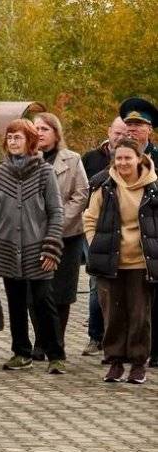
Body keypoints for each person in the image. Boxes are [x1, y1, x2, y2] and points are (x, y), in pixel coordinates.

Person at [0, 119, 66, 374]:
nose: (12, 142)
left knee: (43, 302)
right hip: (6, 248)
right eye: (9, 137)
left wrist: (51, 247)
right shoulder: (1, 173)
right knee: (16, 303)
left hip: (37, 248)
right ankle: (21, 352)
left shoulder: (44, 171)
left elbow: (56, 212)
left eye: (17, 137)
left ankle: (56, 355)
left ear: (30, 141)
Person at [83, 138, 157, 385]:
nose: (124, 162)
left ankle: (138, 364)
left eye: (129, 157)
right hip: (110, 261)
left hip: (141, 262)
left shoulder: (153, 187)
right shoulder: (104, 186)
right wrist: (96, 245)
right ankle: (114, 362)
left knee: (140, 315)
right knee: (112, 315)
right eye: (119, 158)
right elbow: (90, 219)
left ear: (139, 159)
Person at [33, 112, 89, 357]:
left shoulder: (73, 159)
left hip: (67, 237)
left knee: (61, 293)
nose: (40, 132)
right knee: (35, 292)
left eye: (45, 128)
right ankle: (40, 341)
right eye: (35, 128)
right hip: (33, 236)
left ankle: (57, 340)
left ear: (56, 132)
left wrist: (57, 224)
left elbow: (81, 195)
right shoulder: (26, 160)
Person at [80, 116, 128, 356]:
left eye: (125, 134)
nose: (121, 137)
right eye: (117, 133)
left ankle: (122, 339)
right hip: (97, 231)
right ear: (109, 132)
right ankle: (95, 336)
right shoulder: (91, 159)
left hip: (126, 233)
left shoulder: (132, 159)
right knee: (96, 284)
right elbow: (83, 193)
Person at [119, 96, 158, 364]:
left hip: (154, 236)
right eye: (128, 124)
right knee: (131, 301)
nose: (132, 129)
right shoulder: (118, 159)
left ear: (149, 130)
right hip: (128, 242)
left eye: (138, 125)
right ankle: (128, 350)